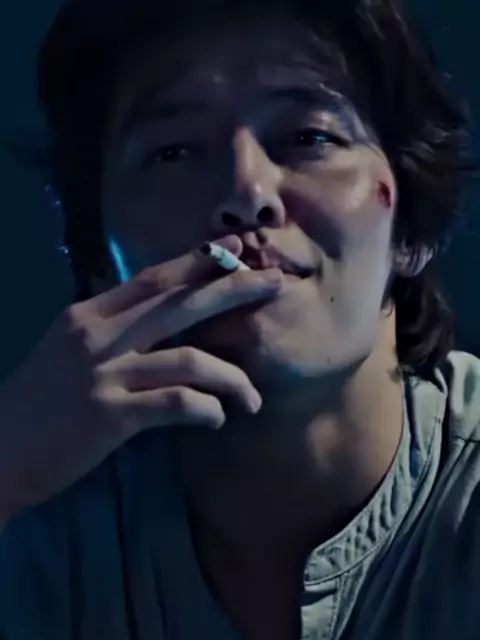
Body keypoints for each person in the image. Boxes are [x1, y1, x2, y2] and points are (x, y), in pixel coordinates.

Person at [0, 0, 479, 638]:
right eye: (173, 151)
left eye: (309, 137)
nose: (247, 194)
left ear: (411, 227)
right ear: (95, 252)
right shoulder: (37, 503)